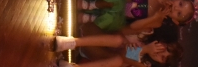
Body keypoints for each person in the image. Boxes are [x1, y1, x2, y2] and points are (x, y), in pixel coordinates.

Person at [52, 29, 183, 67]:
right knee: (119, 40)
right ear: (164, 42)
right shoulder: (147, 33)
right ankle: (71, 42)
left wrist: (145, 50)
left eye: (163, 58)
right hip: (93, 37)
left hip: (97, 59)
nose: (159, 52)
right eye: (165, 49)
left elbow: (124, 57)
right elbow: (121, 29)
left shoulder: (144, 65)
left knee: (118, 61)